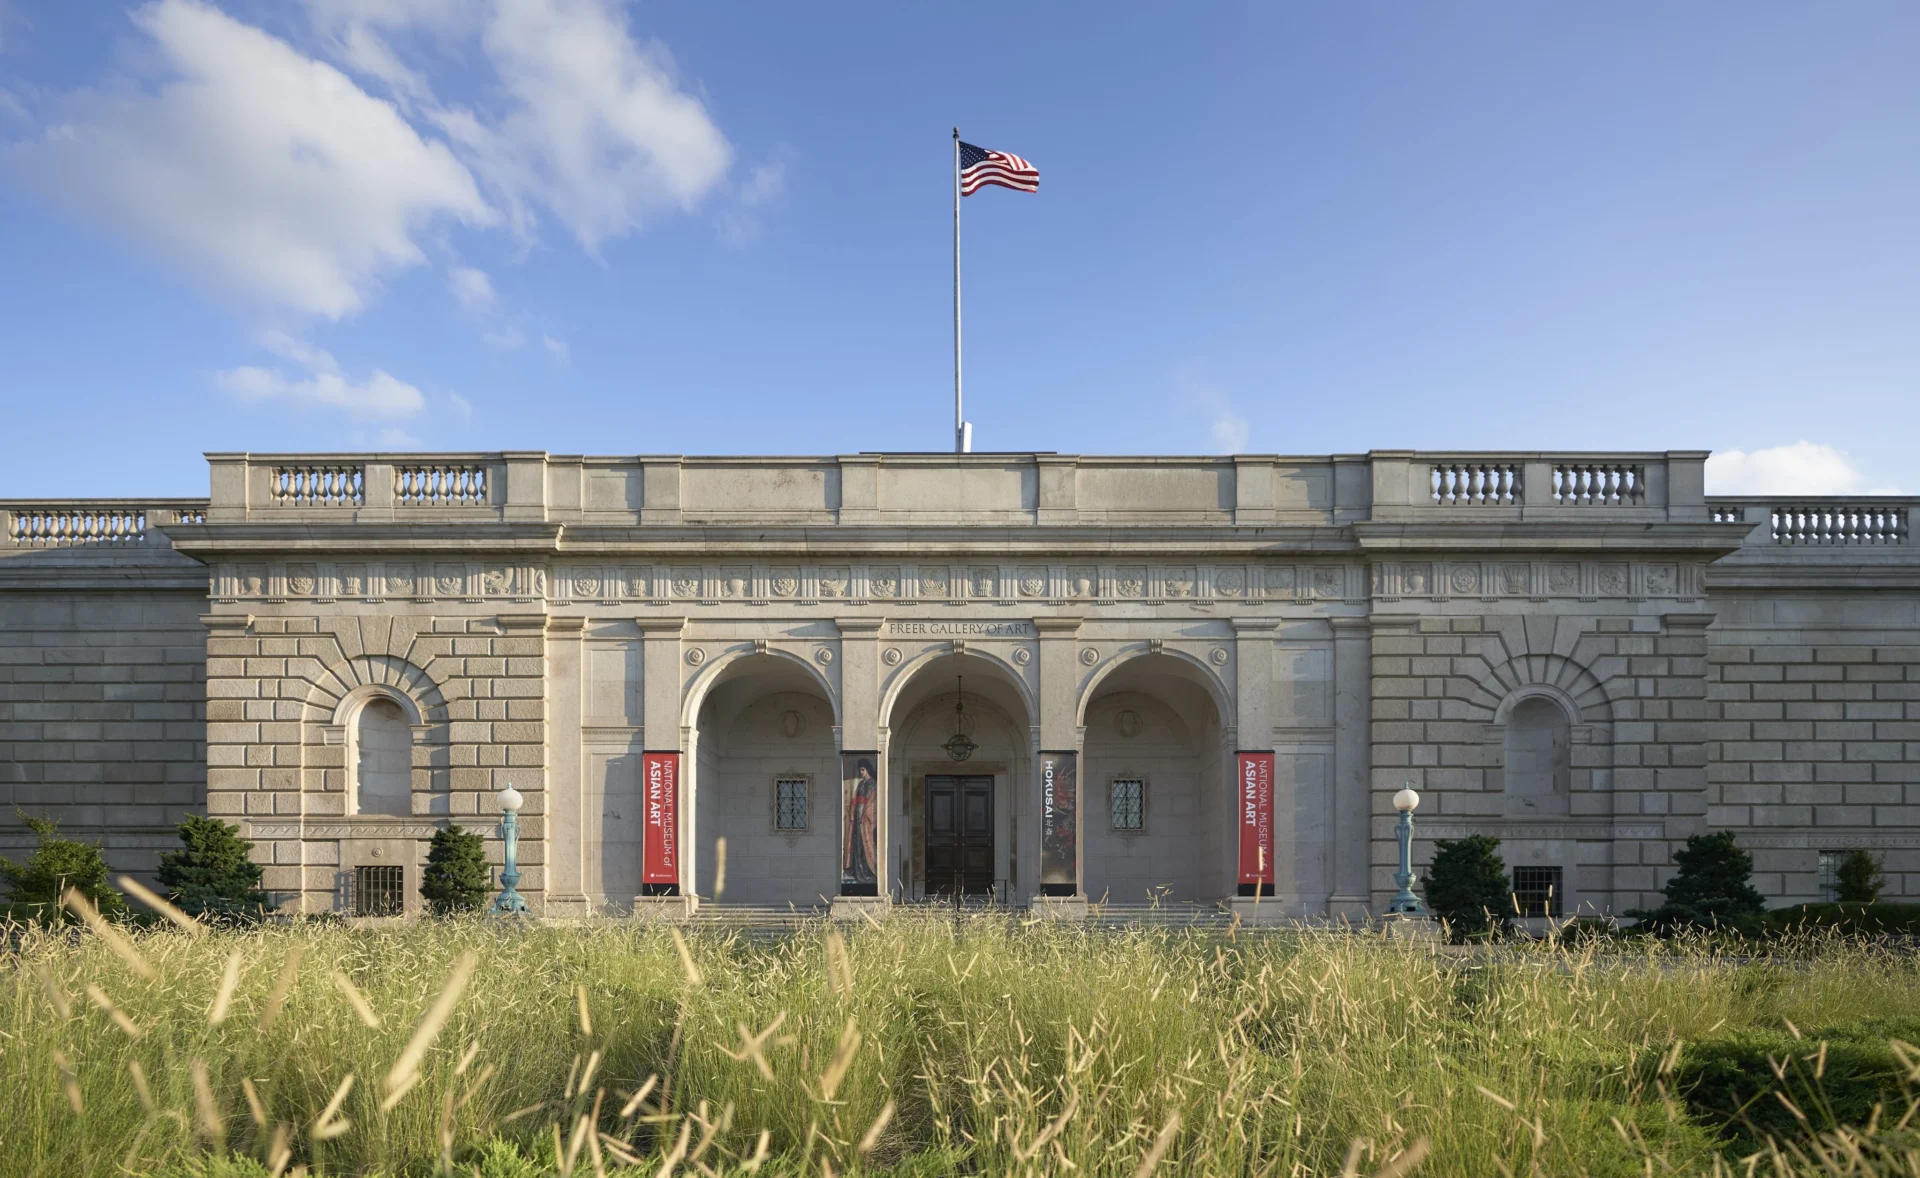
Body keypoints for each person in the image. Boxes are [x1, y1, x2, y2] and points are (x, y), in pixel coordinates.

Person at [842, 757, 877, 887]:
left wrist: (864, 814)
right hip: (857, 816)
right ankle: (857, 870)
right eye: (860, 770)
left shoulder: (873, 783)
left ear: (867, 769)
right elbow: (855, 799)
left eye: (862, 770)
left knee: (864, 845)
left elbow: (873, 802)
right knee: (856, 843)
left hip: (865, 817)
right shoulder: (861, 784)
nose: (861, 772)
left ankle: (866, 871)